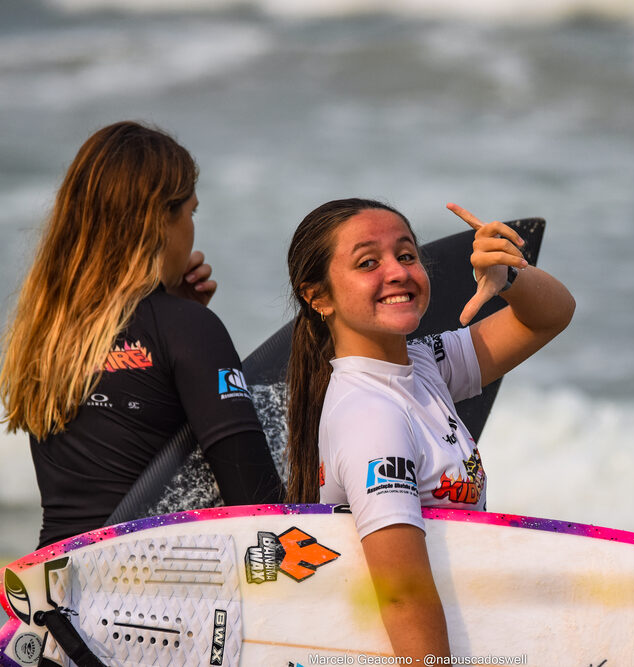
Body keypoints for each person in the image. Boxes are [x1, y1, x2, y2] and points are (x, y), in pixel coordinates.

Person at [285, 198, 575, 658]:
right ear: (318, 297)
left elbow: (551, 315)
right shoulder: (370, 414)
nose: (397, 272)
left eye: (405, 255)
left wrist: (508, 276)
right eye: (367, 263)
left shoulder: (422, 365)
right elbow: (403, 595)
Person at [0, 121, 282, 549]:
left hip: (53, 589)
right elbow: (259, 504)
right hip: (154, 596)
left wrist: (174, 314)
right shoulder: (185, 328)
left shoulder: (46, 333)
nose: (191, 228)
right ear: (161, 220)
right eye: (191, 211)